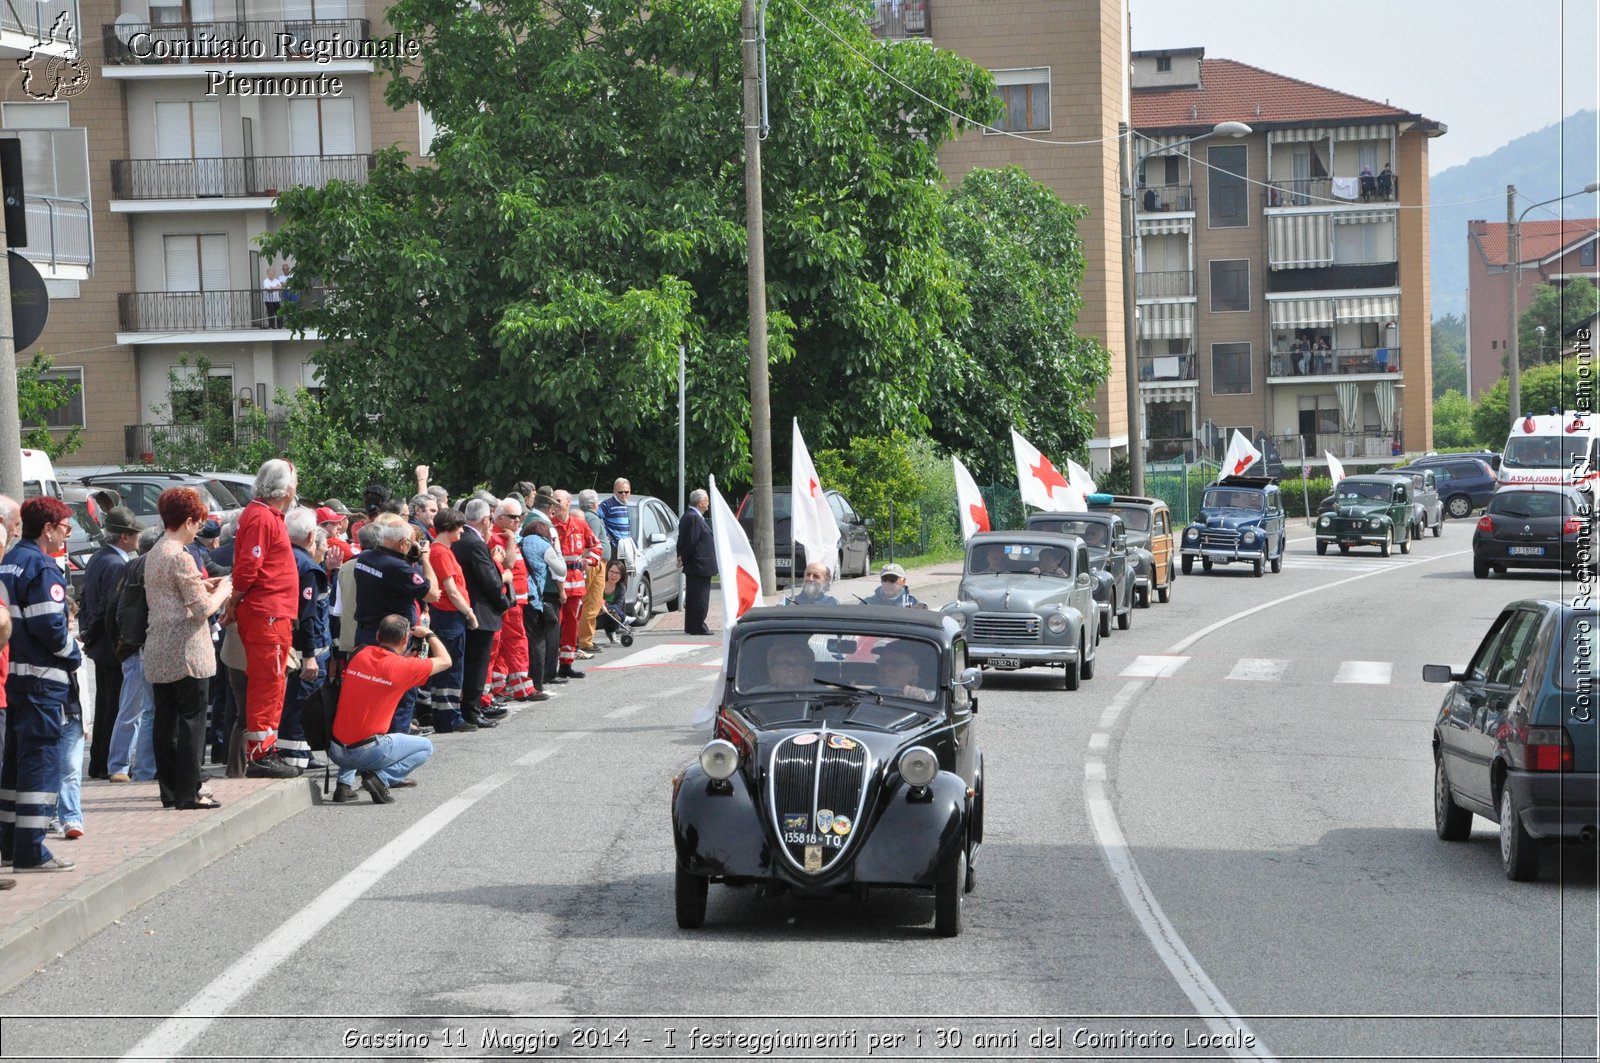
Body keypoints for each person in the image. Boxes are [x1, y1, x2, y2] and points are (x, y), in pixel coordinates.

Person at [0, 497, 83, 871]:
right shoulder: (42, 568)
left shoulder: (9, 563)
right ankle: (31, 852)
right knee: (40, 763)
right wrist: (73, 652)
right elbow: (50, 627)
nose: (66, 535)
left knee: (15, 765)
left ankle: (9, 844)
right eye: (65, 528)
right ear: (47, 528)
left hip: (15, 679)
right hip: (41, 682)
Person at [143, 488, 233, 810]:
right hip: (186, 649)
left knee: (164, 721)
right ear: (190, 520)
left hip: (158, 647)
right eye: (198, 523)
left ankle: (169, 790)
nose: (198, 530)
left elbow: (173, 592)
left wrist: (203, 584)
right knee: (192, 720)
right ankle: (190, 790)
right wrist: (223, 589)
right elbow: (201, 609)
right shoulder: (180, 555)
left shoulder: (155, 552)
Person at [228, 459, 302, 778]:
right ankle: (260, 754)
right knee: (267, 683)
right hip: (267, 614)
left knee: (273, 683)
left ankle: (266, 749)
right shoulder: (261, 516)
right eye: (295, 480)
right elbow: (247, 569)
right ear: (284, 487)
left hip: (273, 614)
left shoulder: (265, 515)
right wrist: (233, 602)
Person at [327, 614, 448, 805]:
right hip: (366, 753)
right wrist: (429, 634)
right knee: (425, 748)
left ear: (377, 635)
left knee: (354, 718)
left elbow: (379, 670)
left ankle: (343, 785)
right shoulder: (404, 668)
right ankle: (381, 779)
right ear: (404, 640)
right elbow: (446, 660)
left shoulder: (360, 652)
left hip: (334, 750)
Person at [353, 516, 438, 736]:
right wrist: (425, 558)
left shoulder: (365, 557)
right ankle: (394, 745)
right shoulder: (398, 568)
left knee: (369, 694)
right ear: (402, 543)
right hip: (394, 638)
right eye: (410, 543)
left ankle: (366, 742)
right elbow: (433, 593)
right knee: (400, 692)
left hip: (366, 633)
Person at [81, 505, 144, 779]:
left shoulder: (98, 557)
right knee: (115, 707)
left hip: (100, 644)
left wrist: (88, 635)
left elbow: (87, 601)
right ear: (124, 537)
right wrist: (95, 635)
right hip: (110, 645)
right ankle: (108, 762)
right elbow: (109, 609)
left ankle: (98, 762)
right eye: (135, 534)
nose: (138, 539)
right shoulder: (117, 564)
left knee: (106, 705)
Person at [278, 511, 331, 771]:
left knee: (293, 702)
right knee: (301, 703)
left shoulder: (282, 556)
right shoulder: (307, 567)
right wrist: (309, 655)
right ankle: (294, 753)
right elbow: (307, 616)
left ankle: (301, 751)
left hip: (286, 643)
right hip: (307, 648)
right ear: (311, 536)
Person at [452, 499, 511, 724]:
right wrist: (503, 580)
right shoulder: (473, 543)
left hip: (469, 609)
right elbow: (490, 581)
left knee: (472, 663)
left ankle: (472, 707)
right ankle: (472, 710)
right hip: (479, 610)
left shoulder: (464, 538)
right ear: (486, 520)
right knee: (477, 665)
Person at [424, 508, 477, 732]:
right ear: (450, 528)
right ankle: (449, 718)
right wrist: (469, 613)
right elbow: (451, 591)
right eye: (460, 527)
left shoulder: (444, 550)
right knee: (451, 668)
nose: (463, 531)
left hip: (449, 616)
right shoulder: (441, 552)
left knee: (451, 667)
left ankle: (446, 715)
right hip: (449, 616)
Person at [487, 497, 540, 705]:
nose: (518, 521)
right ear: (499, 518)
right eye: (513, 517)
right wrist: (510, 540)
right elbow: (508, 564)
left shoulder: (507, 535)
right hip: (508, 600)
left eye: (520, 517)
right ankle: (522, 688)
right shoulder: (498, 538)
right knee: (515, 642)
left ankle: (505, 686)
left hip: (515, 599)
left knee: (507, 644)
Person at [551, 490, 601, 675]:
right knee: (555, 624)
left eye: (558, 500)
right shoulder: (549, 526)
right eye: (552, 501)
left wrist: (590, 560)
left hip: (575, 582)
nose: (555, 504)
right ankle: (551, 666)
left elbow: (596, 545)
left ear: (568, 502)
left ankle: (566, 664)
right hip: (555, 583)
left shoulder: (579, 525)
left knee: (572, 625)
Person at [520, 509, 564, 690]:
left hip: (519, 595)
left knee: (524, 640)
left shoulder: (519, 542)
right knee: (538, 640)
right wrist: (557, 550)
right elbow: (561, 570)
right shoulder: (544, 545)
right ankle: (537, 683)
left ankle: (523, 679)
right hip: (535, 597)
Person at [576, 489, 610, 656]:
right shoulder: (592, 518)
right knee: (592, 601)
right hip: (594, 564)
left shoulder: (586, 517)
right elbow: (592, 542)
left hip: (593, 564)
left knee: (590, 601)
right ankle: (585, 641)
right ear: (595, 504)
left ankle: (584, 638)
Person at [676, 488, 715, 636]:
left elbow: (683, 541)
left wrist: (681, 556)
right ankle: (698, 625)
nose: (708, 504)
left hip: (696, 564)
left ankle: (692, 625)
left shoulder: (690, 515)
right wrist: (683, 557)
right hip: (699, 564)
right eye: (707, 501)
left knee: (694, 597)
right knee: (700, 598)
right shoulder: (693, 517)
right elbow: (691, 541)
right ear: (700, 502)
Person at [749, 638, 815, 692]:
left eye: (798, 663)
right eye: (784, 663)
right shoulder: (756, 697)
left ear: (808, 671)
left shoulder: (822, 697)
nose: (791, 668)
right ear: (772, 672)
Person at [597, 478, 631, 554]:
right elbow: (593, 517)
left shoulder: (625, 504)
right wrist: (602, 535)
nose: (624, 494)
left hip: (625, 547)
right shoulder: (607, 504)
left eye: (626, 492)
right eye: (620, 492)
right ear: (614, 492)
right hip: (613, 548)